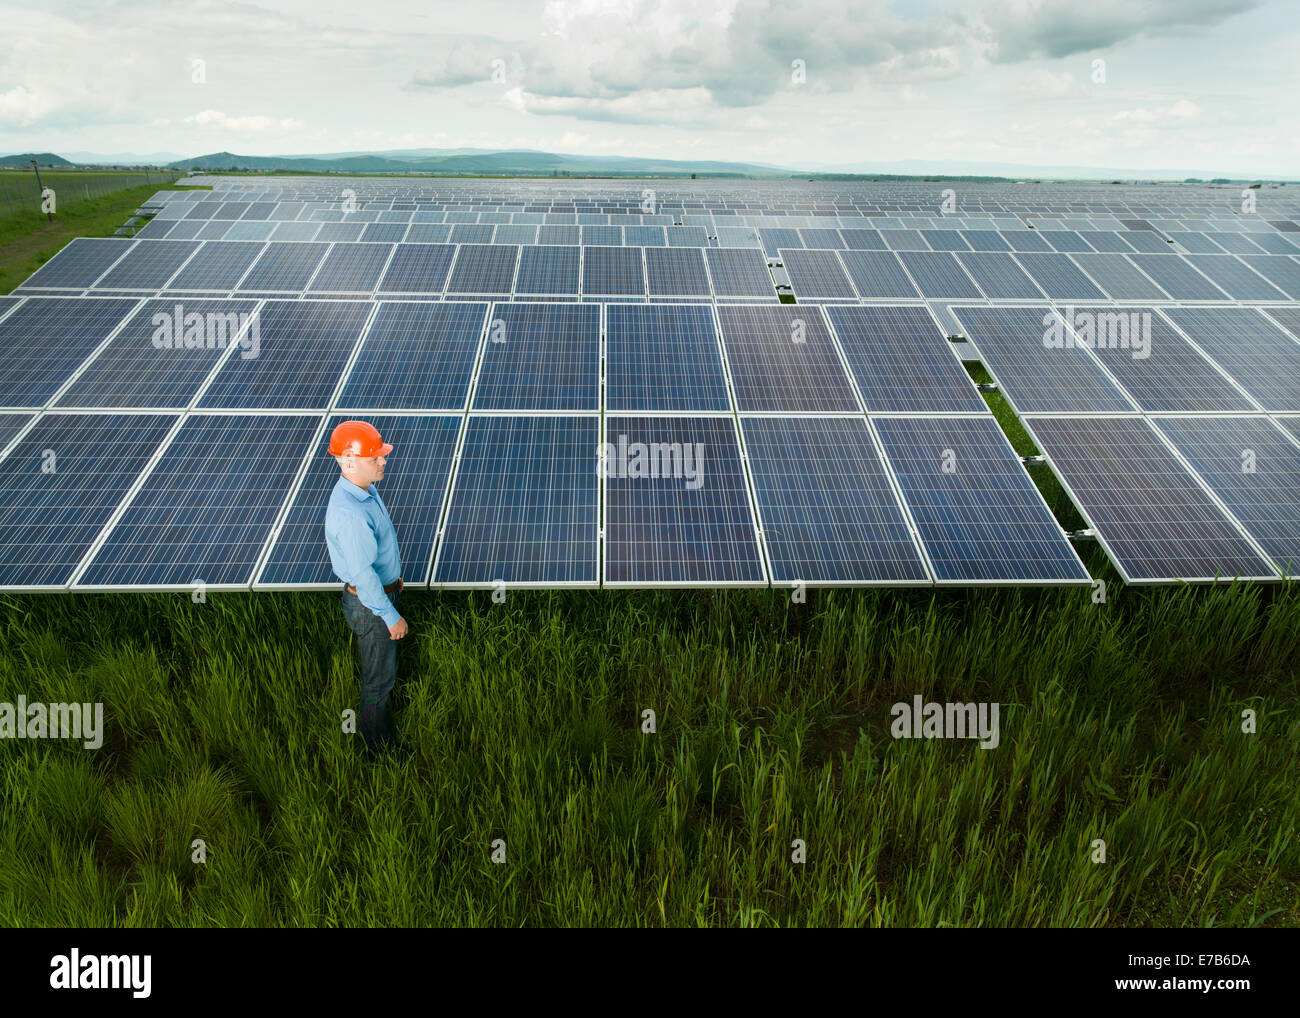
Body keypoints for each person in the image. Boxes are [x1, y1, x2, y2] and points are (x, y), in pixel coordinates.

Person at [323, 420, 407, 756]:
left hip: (381, 594)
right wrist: (390, 616)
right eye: (376, 458)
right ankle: (378, 749)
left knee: (383, 671)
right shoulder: (351, 514)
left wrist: (394, 577)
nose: (383, 461)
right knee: (378, 682)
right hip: (372, 606)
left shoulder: (363, 490)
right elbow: (364, 574)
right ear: (348, 461)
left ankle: (379, 730)